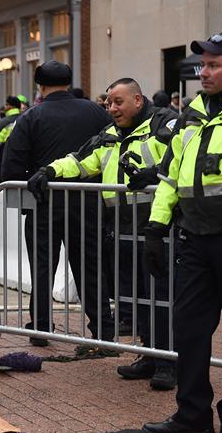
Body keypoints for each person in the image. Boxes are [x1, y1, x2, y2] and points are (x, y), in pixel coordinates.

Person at [27, 78, 177, 388]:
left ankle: (169, 362)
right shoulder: (108, 136)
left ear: (138, 100)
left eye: (118, 102)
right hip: (122, 227)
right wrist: (50, 171)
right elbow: (80, 162)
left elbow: (181, 156)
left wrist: (155, 173)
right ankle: (148, 355)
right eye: (108, 102)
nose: (111, 108)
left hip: (159, 226)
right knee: (136, 298)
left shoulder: (163, 123)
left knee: (161, 297)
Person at [142, 35, 222, 433]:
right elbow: (172, 174)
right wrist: (156, 227)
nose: (202, 73)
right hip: (196, 239)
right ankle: (192, 417)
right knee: (188, 331)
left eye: (213, 65)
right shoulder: (192, 114)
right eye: (201, 66)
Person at [2, 60, 115, 346]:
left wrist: (30, 180)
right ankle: (102, 327)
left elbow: (12, 164)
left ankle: (41, 327)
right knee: (90, 265)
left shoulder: (32, 116)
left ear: (40, 86)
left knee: (42, 267)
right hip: (87, 199)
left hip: (44, 202)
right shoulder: (96, 112)